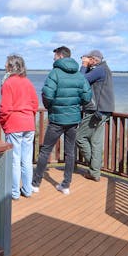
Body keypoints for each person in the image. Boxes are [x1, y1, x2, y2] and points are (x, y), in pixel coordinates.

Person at [31, 46, 92, 195]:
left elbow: (47, 95)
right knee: (70, 152)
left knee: (45, 150)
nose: (53, 59)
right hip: (73, 120)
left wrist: (51, 108)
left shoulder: (55, 73)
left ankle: (35, 184)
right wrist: (75, 106)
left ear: (59, 56)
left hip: (57, 120)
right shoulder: (79, 76)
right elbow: (87, 97)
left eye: (54, 57)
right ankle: (65, 185)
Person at [0, 54, 39, 200]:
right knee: (26, 159)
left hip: (14, 124)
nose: (4, 66)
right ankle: (27, 190)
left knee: (15, 160)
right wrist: (28, 116)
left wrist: (3, 122)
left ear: (11, 66)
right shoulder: (28, 82)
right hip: (28, 124)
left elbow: (5, 108)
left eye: (6, 64)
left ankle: (14, 192)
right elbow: (35, 104)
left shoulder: (8, 83)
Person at [76, 49, 115, 181]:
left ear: (94, 59)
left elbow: (80, 80)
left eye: (89, 59)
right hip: (104, 110)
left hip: (95, 111)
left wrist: (84, 65)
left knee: (79, 137)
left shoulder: (99, 70)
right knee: (96, 142)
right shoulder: (104, 69)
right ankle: (95, 172)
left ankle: (94, 167)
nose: (87, 60)